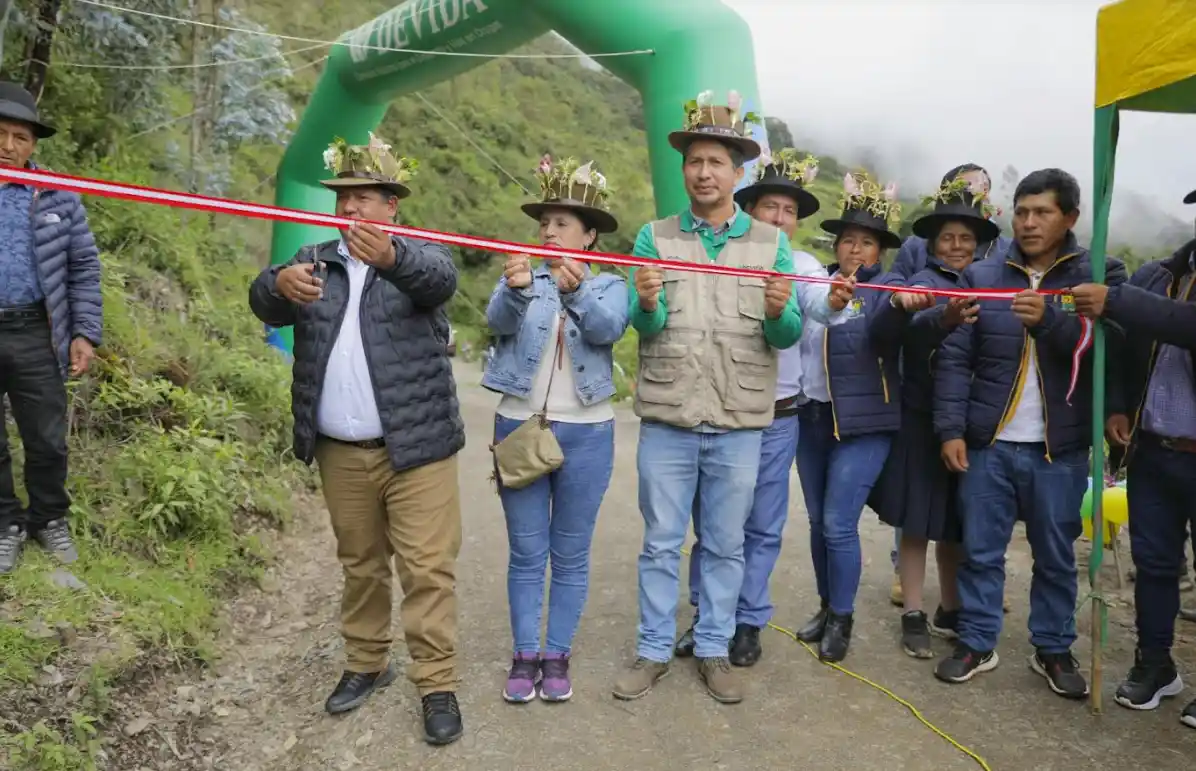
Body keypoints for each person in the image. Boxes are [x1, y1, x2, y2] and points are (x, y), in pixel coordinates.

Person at [248, 133, 465, 745]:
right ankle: (367, 663)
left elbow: (439, 281)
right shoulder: (313, 258)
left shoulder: (419, 255)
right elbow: (263, 300)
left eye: (365, 198)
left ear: (392, 206)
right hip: (340, 452)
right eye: (344, 199)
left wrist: (394, 258)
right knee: (361, 565)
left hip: (417, 451)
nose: (352, 211)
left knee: (427, 570)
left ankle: (437, 683)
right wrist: (276, 287)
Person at [612, 90, 802, 705]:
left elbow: (787, 332)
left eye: (716, 162)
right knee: (661, 543)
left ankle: (715, 650)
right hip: (668, 417)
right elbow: (648, 326)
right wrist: (645, 301)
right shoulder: (653, 236)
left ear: (737, 171)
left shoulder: (770, 243)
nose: (703, 172)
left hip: (740, 421)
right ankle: (651, 651)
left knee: (725, 544)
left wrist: (779, 312)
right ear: (684, 168)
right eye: (694, 160)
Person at [932, 168, 1127, 697]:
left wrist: (1051, 321)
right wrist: (951, 428)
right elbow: (955, 358)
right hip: (988, 442)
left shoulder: (1098, 278)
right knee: (980, 549)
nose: (1029, 222)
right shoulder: (982, 276)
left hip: (1058, 449)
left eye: (1042, 212)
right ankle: (976, 639)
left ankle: (1053, 647)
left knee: (1057, 554)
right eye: (1021, 211)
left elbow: (1111, 352)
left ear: (1071, 217)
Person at [675, 149, 853, 665]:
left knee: (762, 526)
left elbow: (819, 303)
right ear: (748, 208)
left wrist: (837, 301)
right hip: (720, 410)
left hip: (778, 417)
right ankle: (708, 617)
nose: (779, 218)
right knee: (712, 523)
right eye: (770, 207)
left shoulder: (800, 266)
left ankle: (748, 621)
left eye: (790, 211)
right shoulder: (726, 253)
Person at [482, 156, 628, 703]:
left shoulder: (611, 285)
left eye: (563, 223)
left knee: (569, 552)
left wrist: (577, 291)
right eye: (545, 222)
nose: (549, 230)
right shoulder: (521, 276)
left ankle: (557, 654)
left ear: (589, 235)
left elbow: (610, 327)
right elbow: (496, 322)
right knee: (525, 551)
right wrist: (516, 288)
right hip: (520, 425)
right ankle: (523, 655)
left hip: (589, 431)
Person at [1070, 213, 1196, 728]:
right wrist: (1119, 405)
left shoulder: (1139, 291)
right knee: (1155, 565)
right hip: (1154, 449)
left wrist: (1116, 299)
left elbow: (1181, 323)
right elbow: (1122, 345)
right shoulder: (1160, 275)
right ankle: (1156, 663)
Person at [869, 172, 999, 657]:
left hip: (971, 420)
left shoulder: (991, 284)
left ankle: (951, 607)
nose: (958, 245)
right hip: (921, 415)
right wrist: (939, 319)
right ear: (933, 243)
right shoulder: (921, 284)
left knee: (954, 523)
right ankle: (913, 613)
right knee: (917, 521)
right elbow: (907, 331)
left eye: (967, 238)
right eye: (948, 237)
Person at [791, 172, 916, 663]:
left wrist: (902, 307)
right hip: (811, 418)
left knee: (840, 523)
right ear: (836, 244)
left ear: (879, 250)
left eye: (867, 242)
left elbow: (891, 327)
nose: (856, 250)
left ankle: (842, 617)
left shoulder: (889, 290)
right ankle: (825, 607)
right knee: (818, 521)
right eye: (848, 240)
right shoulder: (812, 282)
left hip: (864, 426)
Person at [0, 81, 100, 575]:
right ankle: (5, 524)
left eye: (20, 137)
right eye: (0, 134)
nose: (8, 146)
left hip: (35, 331)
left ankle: (47, 518)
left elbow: (83, 266)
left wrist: (84, 332)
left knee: (46, 436)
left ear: (33, 145)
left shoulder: (57, 195)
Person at [890, 163, 1012, 281]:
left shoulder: (1007, 250)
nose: (978, 195)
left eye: (984, 189)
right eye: (966, 188)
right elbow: (894, 286)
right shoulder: (914, 248)